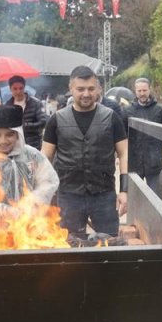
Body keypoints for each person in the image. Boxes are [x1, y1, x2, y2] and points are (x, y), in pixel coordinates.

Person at [41, 66, 128, 239]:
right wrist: (43, 191)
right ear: (70, 89)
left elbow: (124, 152)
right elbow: (45, 157)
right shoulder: (56, 120)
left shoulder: (112, 118)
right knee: (69, 243)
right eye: (80, 89)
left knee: (108, 241)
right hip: (68, 195)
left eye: (91, 88)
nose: (86, 94)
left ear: (99, 89)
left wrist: (124, 190)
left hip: (103, 193)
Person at [0, 105, 58, 208]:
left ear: (18, 134)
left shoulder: (33, 156)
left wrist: (30, 203)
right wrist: (1, 211)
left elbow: (48, 182)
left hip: (29, 219)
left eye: (9, 135)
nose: (3, 141)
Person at [126, 78, 162, 191]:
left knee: (155, 196)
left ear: (149, 90)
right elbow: (122, 135)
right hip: (134, 160)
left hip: (154, 160)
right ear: (135, 91)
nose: (142, 93)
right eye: (139, 91)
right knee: (135, 196)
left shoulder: (160, 109)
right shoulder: (127, 111)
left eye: (144, 90)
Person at [6, 75, 47, 150]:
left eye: (21, 88)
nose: (18, 91)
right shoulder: (8, 105)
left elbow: (43, 122)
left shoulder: (36, 103)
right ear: (10, 89)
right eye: (15, 89)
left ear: (24, 87)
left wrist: (24, 126)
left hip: (33, 145)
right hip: (14, 145)